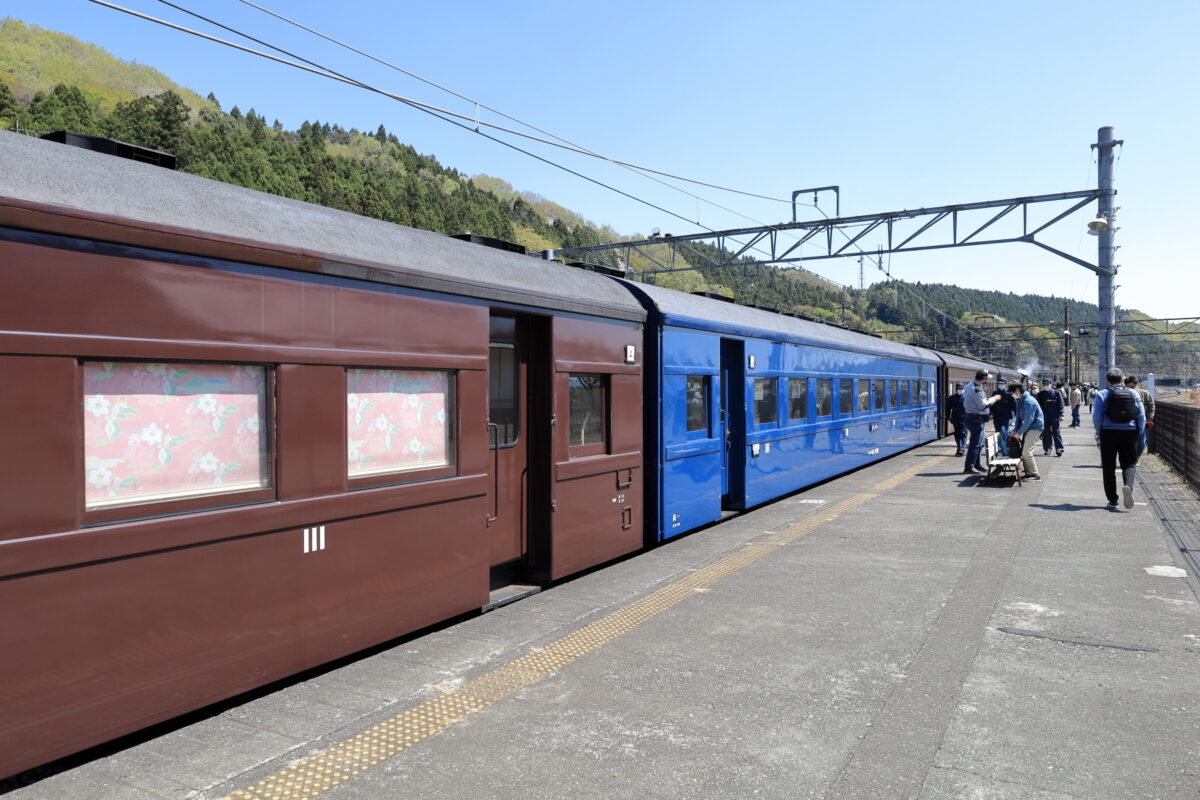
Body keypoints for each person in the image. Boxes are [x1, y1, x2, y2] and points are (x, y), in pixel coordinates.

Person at [1093, 368, 1146, 511]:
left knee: (1108, 467)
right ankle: (1128, 485)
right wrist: (1139, 432)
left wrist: (1099, 432)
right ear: (1122, 380)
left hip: (1108, 433)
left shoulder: (1102, 394)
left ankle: (1112, 500)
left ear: (1108, 381)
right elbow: (1141, 416)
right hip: (1129, 433)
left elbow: (1097, 417)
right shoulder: (1133, 393)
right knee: (1129, 464)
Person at [962, 369, 998, 474]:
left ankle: (977, 464)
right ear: (984, 379)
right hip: (975, 419)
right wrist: (993, 399)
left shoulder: (972, 385)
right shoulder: (976, 389)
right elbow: (982, 406)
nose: (987, 380)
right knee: (975, 443)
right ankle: (969, 466)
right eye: (986, 378)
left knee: (980, 443)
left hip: (976, 418)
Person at [1008, 382, 1043, 481]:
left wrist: (1019, 433)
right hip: (1030, 427)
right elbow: (1019, 417)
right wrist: (1015, 430)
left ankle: (1035, 475)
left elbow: (1028, 420)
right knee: (1024, 451)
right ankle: (1029, 473)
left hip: (1035, 427)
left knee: (1027, 452)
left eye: (1012, 392)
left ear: (1018, 391)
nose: (1012, 395)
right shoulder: (1020, 400)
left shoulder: (1029, 401)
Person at [1125, 376, 1156, 455]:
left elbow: (1151, 405)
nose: (1131, 389)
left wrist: (1148, 418)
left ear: (1136, 385)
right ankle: (1131, 457)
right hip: (1127, 422)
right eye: (1129, 387)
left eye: (1133, 386)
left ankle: (1137, 456)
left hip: (1141, 422)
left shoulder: (1144, 393)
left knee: (1141, 442)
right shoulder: (1122, 394)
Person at [1036, 381, 1065, 456]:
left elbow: (1061, 404)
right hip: (1044, 416)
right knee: (1046, 432)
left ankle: (1059, 449)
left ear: (1051, 384)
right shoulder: (1041, 394)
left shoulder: (1056, 393)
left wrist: (1061, 414)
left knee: (1056, 431)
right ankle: (1047, 449)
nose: (1046, 385)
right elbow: (1038, 405)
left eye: (1047, 384)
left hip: (1054, 415)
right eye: (1045, 384)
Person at [991, 381, 1016, 456]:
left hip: (1005, 418)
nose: (1000, 385)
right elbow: (991, 404)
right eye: (999, 383)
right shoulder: (995, 393)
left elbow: (1014, 405)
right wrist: (989, 414)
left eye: (1002, 383)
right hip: (996, 417)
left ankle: (1004, 450)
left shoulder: (1008, 394)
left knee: (1003, 431)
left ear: (1006, 384)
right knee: (998, 433)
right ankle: (1000, 448)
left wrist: (1018, 414)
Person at [947, 383, 967, 456]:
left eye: (961, 389)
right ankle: (959, 447)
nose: (960, 390)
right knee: (956, 435)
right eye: (959, 389)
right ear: (956, 389)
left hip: (964, 419)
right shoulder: (951, 398)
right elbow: (948, 408)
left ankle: (961, 449)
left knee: (963, 433)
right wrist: (948, 417)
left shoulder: (966, 397)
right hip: (955, 419)